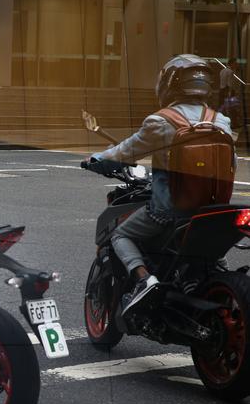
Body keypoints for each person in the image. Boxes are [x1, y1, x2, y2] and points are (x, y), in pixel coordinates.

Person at [86, 54, 232, 317]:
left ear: (169, 84)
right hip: (212, 209)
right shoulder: (221, 121)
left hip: (170, 210)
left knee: (120, 234)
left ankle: (144, 279)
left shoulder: (162, 121)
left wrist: (97, 160)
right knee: (214, 252)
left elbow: (125, 151)